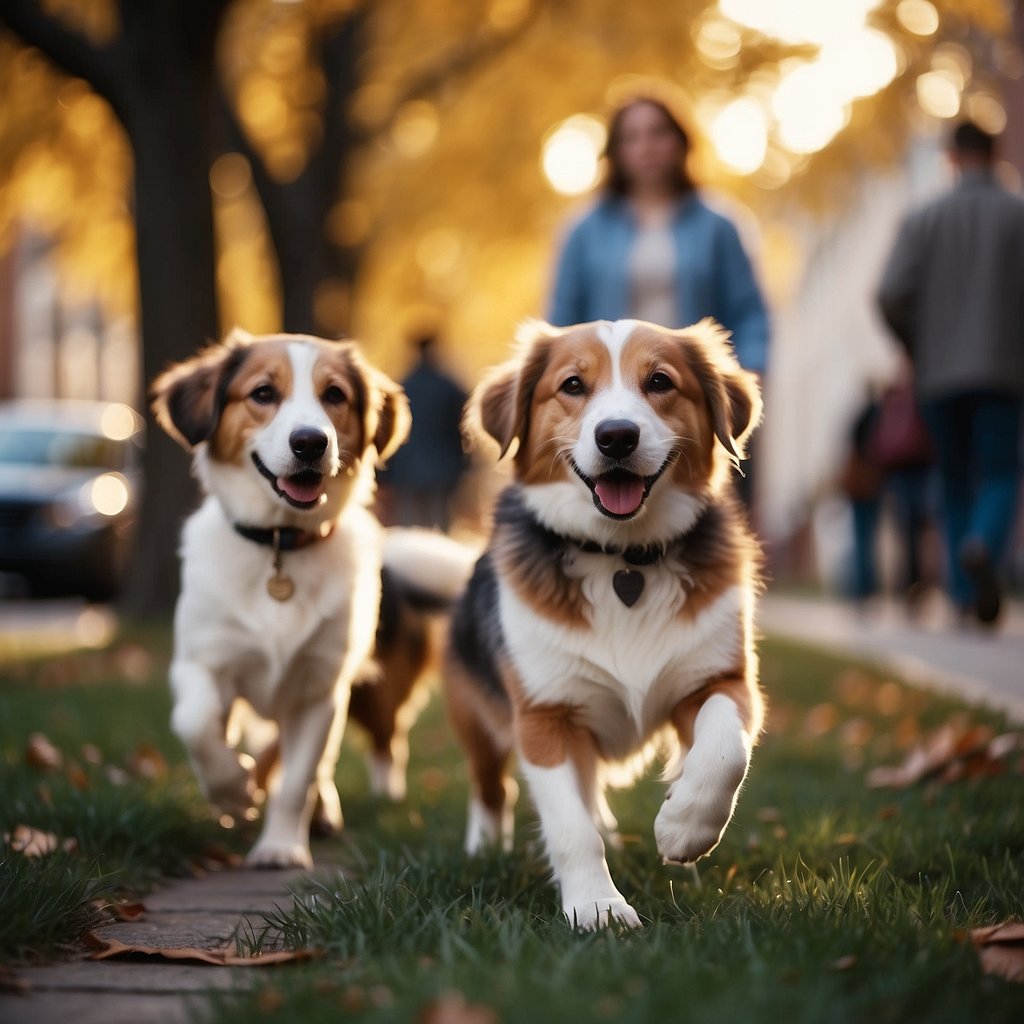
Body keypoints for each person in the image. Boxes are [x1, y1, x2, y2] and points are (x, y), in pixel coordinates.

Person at [877, 121, 1024, 625]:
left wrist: (917, 344)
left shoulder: (922, 219)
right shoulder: (1016, 213)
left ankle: (963, 596)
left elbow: (890, 293)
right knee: (1002, 470)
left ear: (951, 158)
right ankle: (983, 542)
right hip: (1005, 370)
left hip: (937, 376)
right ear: (994, 154)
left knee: (954, 476)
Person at [547, 92, 769, 376]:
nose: (646, 147)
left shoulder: (718, 226)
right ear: (616, 151)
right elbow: (562, 320)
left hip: (692, 386)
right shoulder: (583, 231)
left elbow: (749, 312)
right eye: (631, 137)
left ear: (680, 141)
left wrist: (750, 374)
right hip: (607, 388)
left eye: (658, 133)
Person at [378, 332, 469, 532]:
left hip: (407, 470)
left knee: (410, 527)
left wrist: (384, 475)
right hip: (444, 468)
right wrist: (465, 464)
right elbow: (464, 429)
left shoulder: (402, 387)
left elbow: (389, 430)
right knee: (441, 525)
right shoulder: (450, 387)